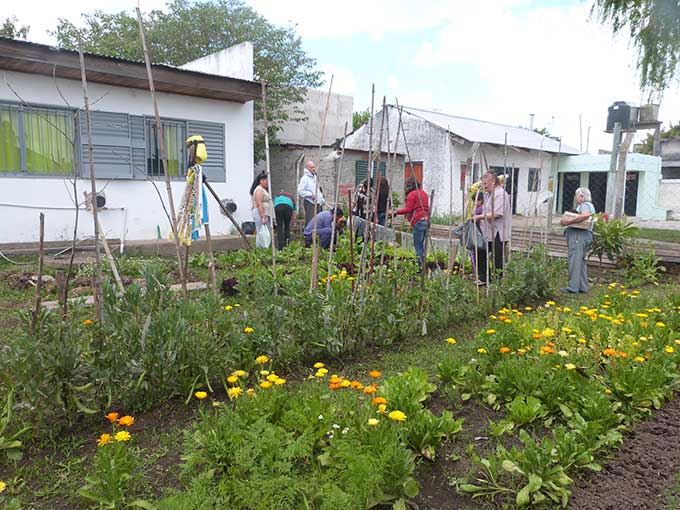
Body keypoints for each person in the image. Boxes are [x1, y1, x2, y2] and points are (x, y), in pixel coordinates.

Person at [472, 170, 512, 285]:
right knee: (481, 252)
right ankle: (484, 278)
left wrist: (479, 217)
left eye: (485, 184)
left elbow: (497, 214)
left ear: (493, 182)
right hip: (488, 232)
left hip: (498, 232)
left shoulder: (500, 194)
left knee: (497, 258)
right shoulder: (489, 194)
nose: (484, 186)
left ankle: (498, 281)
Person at [559, 187, 596, 293]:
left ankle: (573, 287)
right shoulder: (589, 205)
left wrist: (568, 221)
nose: (576, 198)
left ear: (581, 196)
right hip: (584, 236)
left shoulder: (585, 205)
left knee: (574, 260)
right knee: (580, 261)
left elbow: (585, 215)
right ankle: (582, 286)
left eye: (577, 195)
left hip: (578, 236)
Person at [394, 176, 429, 268]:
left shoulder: (412, 195)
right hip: (427, 221)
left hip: (418, 221)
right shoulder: (424, 193)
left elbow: (408, 210)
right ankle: (423, 264)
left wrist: (395, 212)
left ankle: (420, 267)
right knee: (422, 245)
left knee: (418, 246)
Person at [297, 161, 325, 227]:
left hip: (317, 202)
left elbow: (317, 189)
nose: (314, 168)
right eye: (312, 167)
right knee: (310, 221)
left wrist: (321, 199)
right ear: (308, 168)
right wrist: (310, 195)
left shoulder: (314, 177)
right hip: (310, 203)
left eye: (314, 167)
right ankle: (307, 235)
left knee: (319, 220)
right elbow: (300, 190)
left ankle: (316, 235)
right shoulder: (305, 178)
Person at [250, 171, 272, 248]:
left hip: (263, 213)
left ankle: (263, 248)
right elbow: (259, 203)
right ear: (261, 181)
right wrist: (263, 216)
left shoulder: (262, 189)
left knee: (264, 232)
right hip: (260, 213)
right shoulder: (259, 190)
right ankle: (260, 249)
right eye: (266, 180)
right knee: (261, 232)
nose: (267, 183)